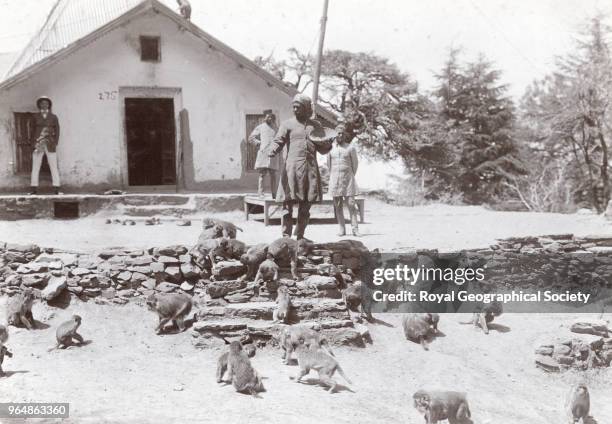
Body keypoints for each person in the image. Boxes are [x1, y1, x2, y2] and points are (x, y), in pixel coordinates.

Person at [268, 94, 335, 239]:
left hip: (309, 170)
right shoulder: (287, 125)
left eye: (298, 107)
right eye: (293, 106)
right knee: (287, 205)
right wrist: (272, 150)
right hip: (291, 170)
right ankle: (286, 237)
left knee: (305, 206)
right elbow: (278, 141)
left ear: (306, 108)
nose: (295, 109)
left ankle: (299, 236)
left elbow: (322, 149)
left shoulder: (315, 126)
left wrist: (328, 143)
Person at [327, 123, 360, 236]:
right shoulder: (330, 148)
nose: (340, 135)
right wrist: (334, 175)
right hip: (335, 179)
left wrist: (349, 175)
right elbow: (329, 165)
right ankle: (342, 229)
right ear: (335, 135)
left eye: (341, 133)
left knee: (351, 204)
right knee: (338, 205)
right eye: (338, 133)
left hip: (348, 179)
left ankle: (355, 229)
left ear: (345, 135)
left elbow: (355, 165)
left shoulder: (350, 148)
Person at [30, 96, 62, 195]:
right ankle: (34, 189)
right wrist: (33, 144)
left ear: (49, 105)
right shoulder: (35, 117)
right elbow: (31, 131)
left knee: (53, 165)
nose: (44, 105)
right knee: (35, 166)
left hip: (50, 144)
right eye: (42, 103)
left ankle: (56, 188)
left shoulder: (53, 117)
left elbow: (57, 130)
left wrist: (55, 142)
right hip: (38, 143)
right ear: (39, 105)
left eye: (46, 103)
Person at [248, 110, 279, 198]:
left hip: (273, 154)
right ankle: (260, 193)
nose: (269, 118)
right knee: (262, 174)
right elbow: (251, 138)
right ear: (265, 117)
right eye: (267, 117)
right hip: (263, 153)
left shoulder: (276, 128)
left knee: (274, 175)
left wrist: (277, 147)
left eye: (271, 117)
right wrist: (259, 143)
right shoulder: (260, 127)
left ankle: (274, 194)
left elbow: (280, 138)